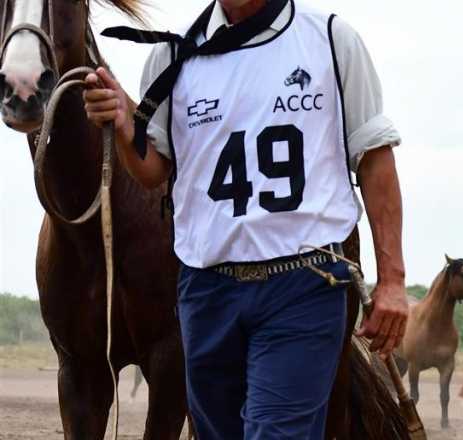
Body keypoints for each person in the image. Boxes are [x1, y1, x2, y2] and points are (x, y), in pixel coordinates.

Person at [82, 0, 408, 438]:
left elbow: (374, 161)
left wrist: (393, 279)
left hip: (304, 283)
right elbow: (153, 170)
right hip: (207, 289)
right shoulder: (171, 54)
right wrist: (125, 122)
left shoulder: (331, 39)